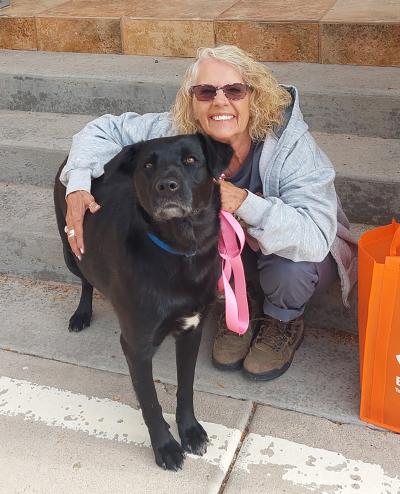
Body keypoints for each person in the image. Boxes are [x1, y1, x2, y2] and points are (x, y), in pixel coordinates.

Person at [60, 45, 357, 381]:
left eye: (234, 90)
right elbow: (102, 130)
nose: (220, 101)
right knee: (188, 236)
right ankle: (237, 311)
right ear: (193, 100)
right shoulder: (175, 131)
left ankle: (281, 321)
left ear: (253, 96)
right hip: (228, 255)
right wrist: (78, 184)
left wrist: (245, 202)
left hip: (294, 257)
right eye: (206, 91)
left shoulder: (291, 145)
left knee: (291, 273)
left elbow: (316, 238)